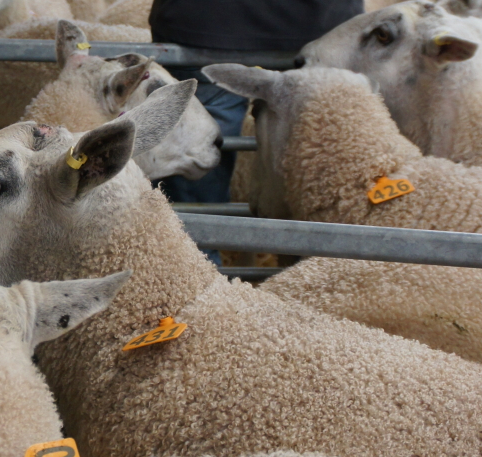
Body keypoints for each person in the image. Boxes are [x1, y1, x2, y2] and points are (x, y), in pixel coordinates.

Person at [149, 1, 364, 263]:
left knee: (196, 153)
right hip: (320, 26)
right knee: (318, 159)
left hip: (205, 21)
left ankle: (194, 277)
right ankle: (308, 278)